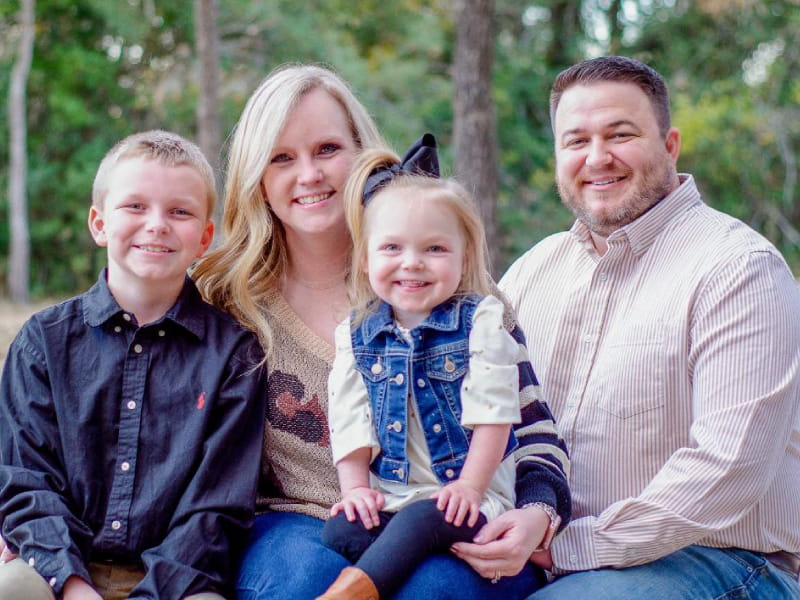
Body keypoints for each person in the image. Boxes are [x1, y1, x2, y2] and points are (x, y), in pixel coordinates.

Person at [193, 64, 570, 600]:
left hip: (454, 515)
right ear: (256, 178)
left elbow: (533, 430)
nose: (309, 175)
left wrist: (538, 513)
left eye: (327, 149)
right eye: (282, 158)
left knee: (435, 590)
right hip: (306, 520)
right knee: (301, 582)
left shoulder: (455, 292)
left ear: (362, 154)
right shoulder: (229, 304)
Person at [493, 55, 800, 599]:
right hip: (543, 548)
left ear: (670, 144)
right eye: (575, 141)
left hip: (726, 560)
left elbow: (728, 469)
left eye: (620, 134)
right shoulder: (530, 272)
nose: (597, 157)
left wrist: (572, 546)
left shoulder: (738, 269)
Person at [0, 130, 268, 600]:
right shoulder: (43, 342)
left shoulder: (233, 356)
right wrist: (74, 585)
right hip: (58, 569)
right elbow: (26, 480)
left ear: (204, 236)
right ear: (99, 223)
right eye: (135, 207)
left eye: (179, 211)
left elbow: (217, 509)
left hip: (178, 582)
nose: (157, 225)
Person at [316, 140, 569, 600]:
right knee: (341, 532)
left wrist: (470, 488)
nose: (411, 263)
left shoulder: (481, 324)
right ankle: (411, 556)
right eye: (392, 247)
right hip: (395, 495)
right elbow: (350, 420)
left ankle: (350, 592)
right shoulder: (355, 334)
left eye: (434, 248)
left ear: (463, 258)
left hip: (466, 495)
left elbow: (495, 417)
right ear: (367, 258)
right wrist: (355, 491)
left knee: (429, 517)